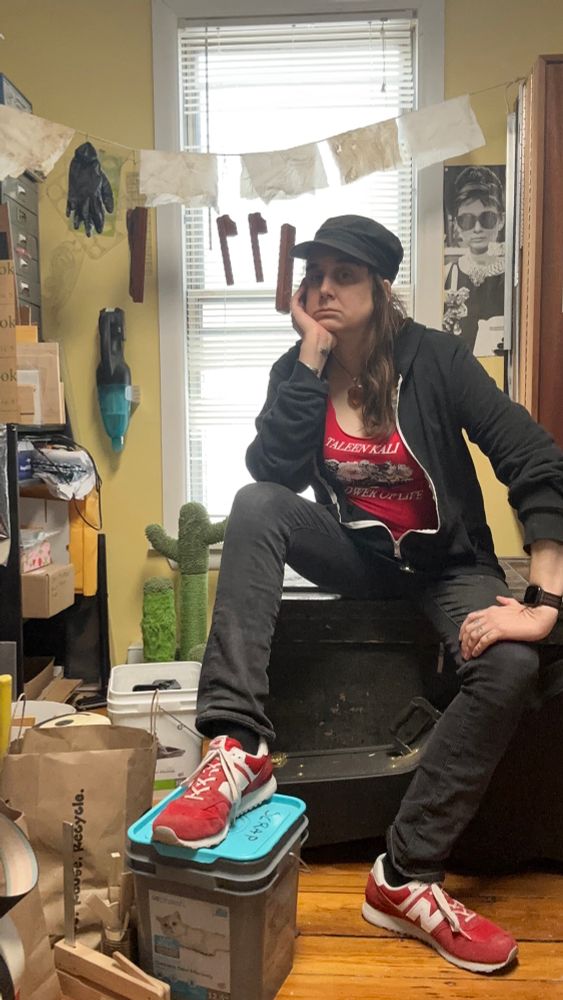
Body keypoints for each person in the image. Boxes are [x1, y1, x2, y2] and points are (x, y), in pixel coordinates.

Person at [153, 214, 563, 975]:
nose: (325, 288)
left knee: (510, 668)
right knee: (255, 502)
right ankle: (235, 746)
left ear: (380, 287)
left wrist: (542, 601)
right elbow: (272, 469)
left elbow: (532, 457)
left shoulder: (436, 360)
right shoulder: (298, 367)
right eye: (316, 276)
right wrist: (311, 359)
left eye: (345, 275)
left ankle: (403, 878)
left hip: (447, 566)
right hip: (359, 559)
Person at [443, 167, 505, 354]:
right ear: (458, 226)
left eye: (487, 218)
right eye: (468, 220)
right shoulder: (448, 273)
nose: (477, 229)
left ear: (501, 220)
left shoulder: (513, 276)